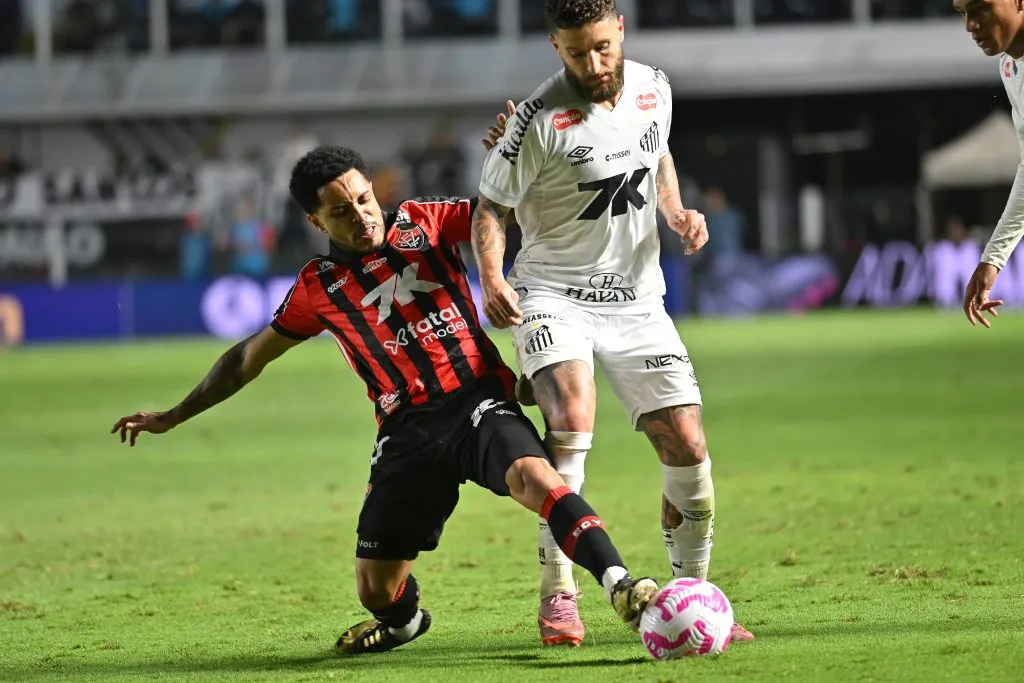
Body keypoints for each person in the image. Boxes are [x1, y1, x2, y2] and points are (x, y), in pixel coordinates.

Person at [110, 144, 659, 655]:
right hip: (406, 431)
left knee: (535, 479)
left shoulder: (427, 221)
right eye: (341, 212)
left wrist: (521, 145)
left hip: (475, 400)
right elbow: (247, 359)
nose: (362, 217)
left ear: (375, 189)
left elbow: (502, 209)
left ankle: (622, 586)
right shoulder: (316, 286)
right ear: (315, 221)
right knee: (375, 587)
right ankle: (402, 624)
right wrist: (175, 415)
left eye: (364, 200)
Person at [471, 0, 753, 646]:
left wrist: (677, 210)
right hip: (551, 292)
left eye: (601, 46)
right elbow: (489, 211)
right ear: (555, 47)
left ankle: (697, 598)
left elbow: (655, 157)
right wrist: (491, 279)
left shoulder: (656, 89)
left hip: (636, 300)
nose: (593, 63)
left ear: (621, 29)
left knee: (688, 443)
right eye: (576, 52)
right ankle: (558, 592)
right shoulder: (538, 120)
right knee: (571, 415)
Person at [960, 0, 1024, 327]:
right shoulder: (1010, 66)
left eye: (980, 8)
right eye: (963, 13)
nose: (970, 25)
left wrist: (993, 258)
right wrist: (992, 260)